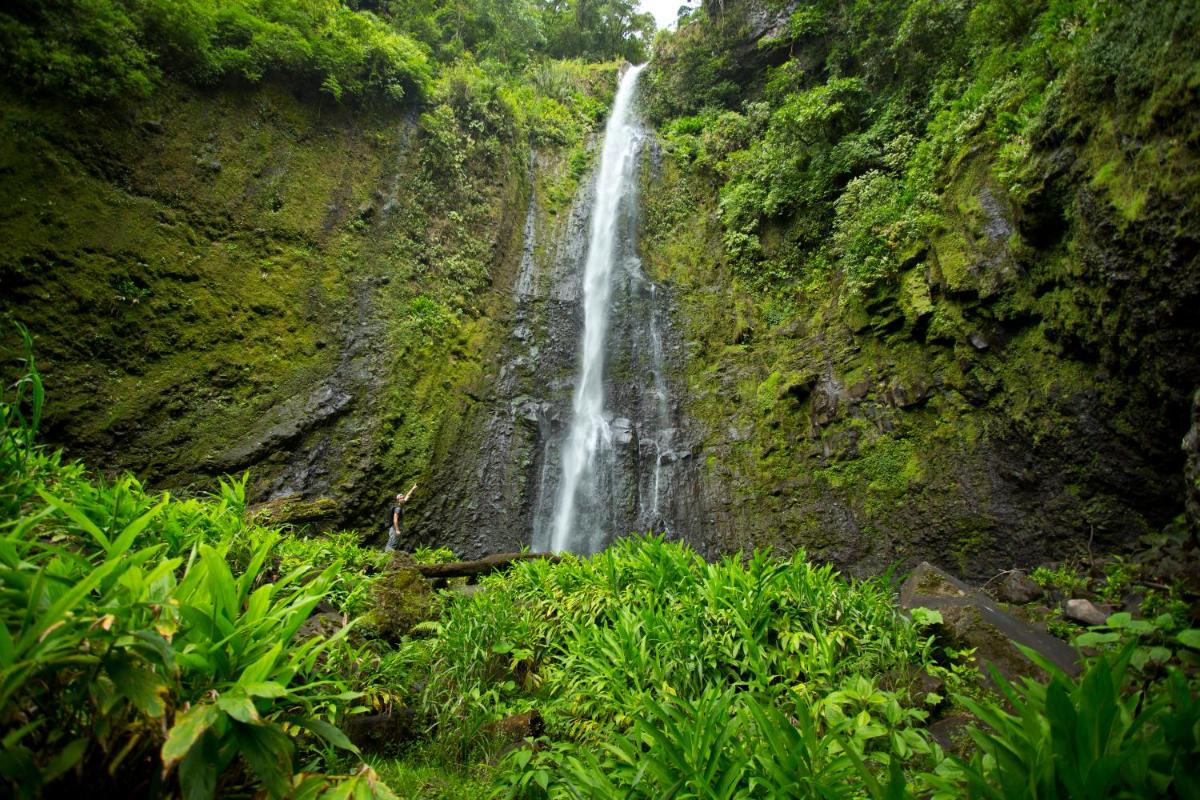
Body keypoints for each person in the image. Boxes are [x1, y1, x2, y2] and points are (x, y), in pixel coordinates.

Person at [384, 483, 418, 552]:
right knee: (392, 544)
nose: (402, 499)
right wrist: (397, 530)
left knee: (397, 544)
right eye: (401, 498)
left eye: (403, 498)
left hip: (399, 528)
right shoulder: (398, 508)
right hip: (394, 528)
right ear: (398, 500)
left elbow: (408, 495)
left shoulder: (402, 504)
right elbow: (395, 519)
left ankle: (394, 556)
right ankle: (386, 555)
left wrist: (413, 488)